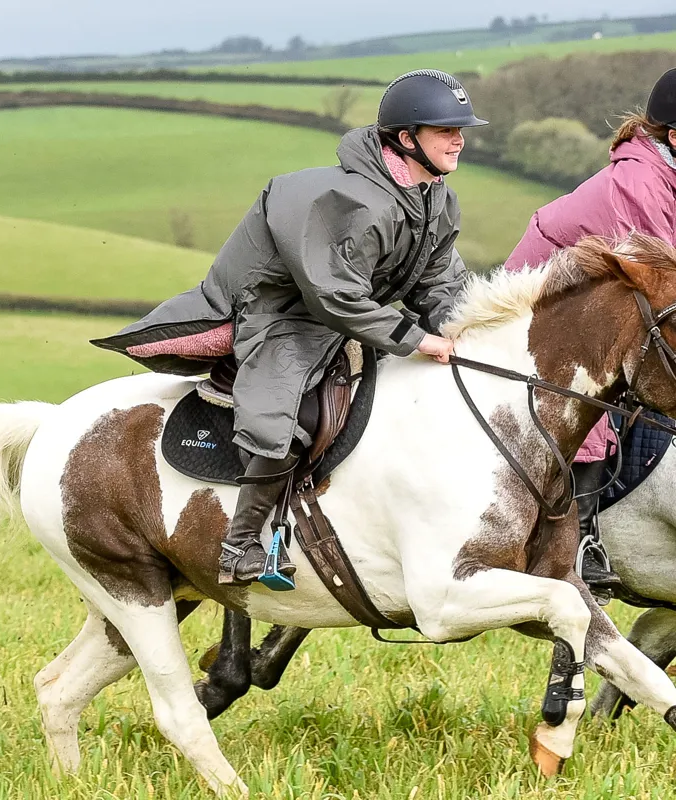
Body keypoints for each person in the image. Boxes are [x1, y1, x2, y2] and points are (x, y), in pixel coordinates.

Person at [93, 70, 488, 588]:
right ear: (407, 138)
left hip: (352, 315)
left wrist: (469, 328)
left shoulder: (436, 199)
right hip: (282, 314)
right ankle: (241, 544)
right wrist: (418, 339)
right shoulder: (349, 202)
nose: (459, 139)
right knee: (283, 410)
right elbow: (335, 297)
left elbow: (439, 281)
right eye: (445, 130)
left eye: (461, 129)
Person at [504, 67, 676, 594]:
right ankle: (581, 543)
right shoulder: (640, 184)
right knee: (595, 402)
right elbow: (663, 282)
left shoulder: (666, 173)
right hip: (546, 319)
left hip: (600, 308)